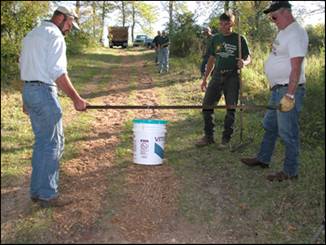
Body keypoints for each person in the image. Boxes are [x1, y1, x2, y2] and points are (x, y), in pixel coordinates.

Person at [19, 6, 89, 208]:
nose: (68, 29)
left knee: (42, 142)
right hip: (43, 92)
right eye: (68, 24)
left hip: (30, 91)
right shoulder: (54, 36)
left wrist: (26, 99)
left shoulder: (31, 35)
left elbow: (22, 64)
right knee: (53, 143)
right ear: (59, 17)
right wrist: (76, 99)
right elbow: (58, 72)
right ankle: (48, 194)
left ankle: (37, 191)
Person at [240, 1, 308, 182]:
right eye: (271, 18)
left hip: (288, 90)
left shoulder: (296, 33)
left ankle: (290, 172)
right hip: (277, 90)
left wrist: (290, 95)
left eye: (274, 17)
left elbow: (296, 67)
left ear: (286, 12)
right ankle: (263, 159)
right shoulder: (284, 32)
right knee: (270, 126)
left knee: (288, 133)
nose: (272, 20)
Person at [195, 12, 251, 149]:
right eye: (221, 24)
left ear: (232, 23)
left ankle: (226, 139)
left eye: (227, 24)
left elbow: (248, 57)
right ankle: (208, 137)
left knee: (230, 108)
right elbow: (211, 59)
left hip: (232, 77)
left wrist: (244, 62)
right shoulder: (215, 39)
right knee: (207, 106)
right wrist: (205, 79)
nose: (223, 26)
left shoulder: (239, 39)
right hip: (217, 75)